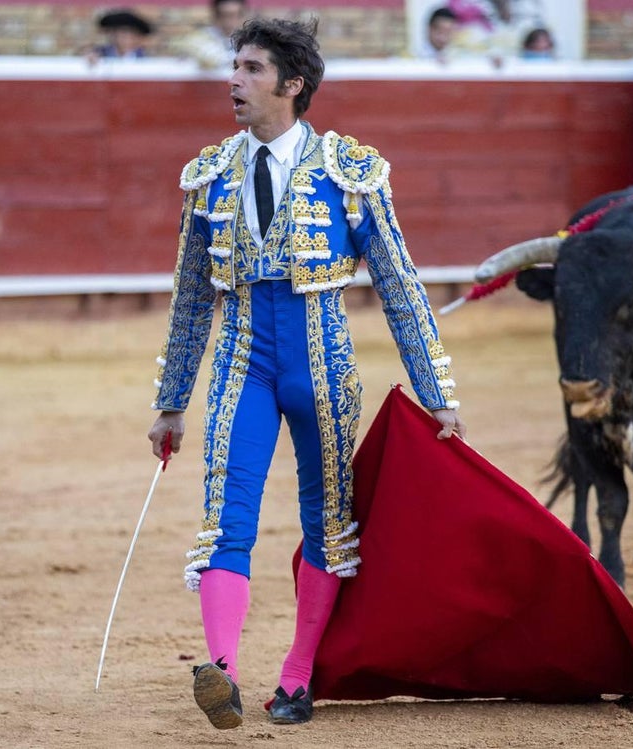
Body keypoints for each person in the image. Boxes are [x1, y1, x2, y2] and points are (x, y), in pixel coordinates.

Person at [146, 17, 466, 729]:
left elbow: (400, 285)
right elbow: (191, 298)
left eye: (252, 69)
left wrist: (437, 391)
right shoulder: (209, 176)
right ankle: (223, 673)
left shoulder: (350, 171)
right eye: (235, 66)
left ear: (292, 85)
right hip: (242, 362)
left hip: (322, 363)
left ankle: (297, 676)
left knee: (328, 520)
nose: (234, 80)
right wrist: (171, 402)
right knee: (225, 515)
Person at [176, 0, 249, 70]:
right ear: (215, 16)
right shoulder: (196, 41)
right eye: (224, 15)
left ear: (242, 16)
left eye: (233, 15)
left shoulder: (250, 41)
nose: (228, 22)